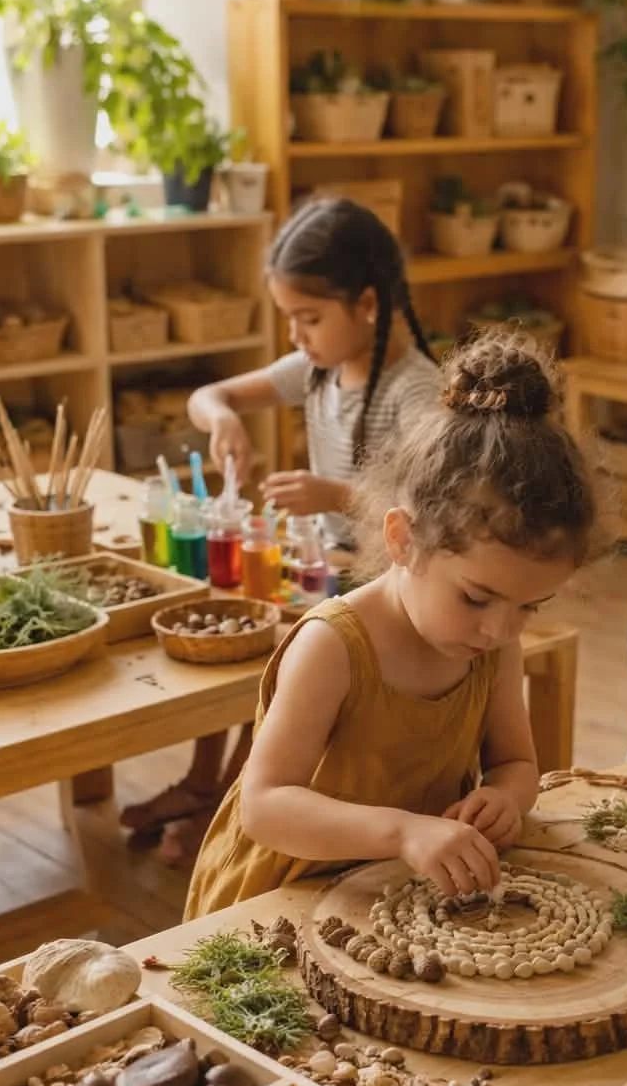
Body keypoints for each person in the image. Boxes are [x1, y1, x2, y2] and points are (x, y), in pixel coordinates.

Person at [184, 334, 603, 918]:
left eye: (530, 607)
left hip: (405, 891)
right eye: (477, 597)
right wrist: (403, 832)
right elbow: (265, 806)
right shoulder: (333, 645)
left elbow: (516, 763)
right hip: (284, 893)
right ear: (402, 540)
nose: (500, 629)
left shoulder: (492, 643)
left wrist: (505, 799)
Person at [120, 198, 440, 863]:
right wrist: (224, 420)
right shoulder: (319, 369)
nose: (296, 336)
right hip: (319, 568)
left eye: (310, 318)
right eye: (289, 318)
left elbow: (434, 511)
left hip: (383, 584)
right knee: (229, 622)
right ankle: (207, 784)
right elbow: (207, 397)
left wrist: (334, 494)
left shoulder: (415, 391)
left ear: (369, 304)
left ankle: (230, 801)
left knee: (277, 658)